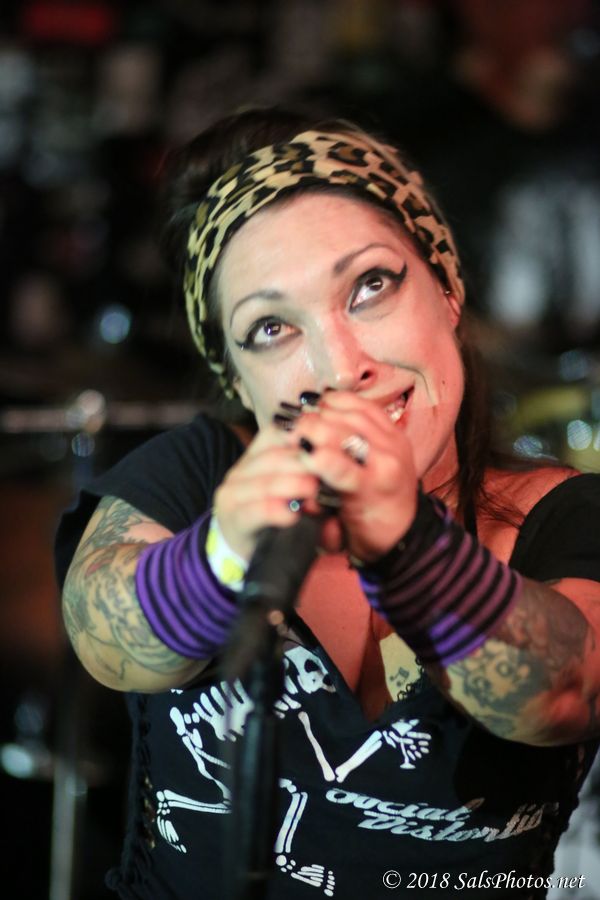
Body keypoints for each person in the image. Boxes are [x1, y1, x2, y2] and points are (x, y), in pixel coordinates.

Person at [55, 108, 600, 899]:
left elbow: (563, 693)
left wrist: (408, 545)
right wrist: (222, 552)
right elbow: (108, 639)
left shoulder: (568, 513)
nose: (339, 368)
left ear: (447, 289)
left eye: (370, 287)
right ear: (239, 381)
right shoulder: (197, 476)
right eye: (272, 328)